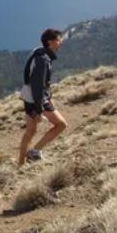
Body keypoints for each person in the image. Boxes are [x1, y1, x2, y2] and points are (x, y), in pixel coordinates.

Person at [18, 28, 69, 166]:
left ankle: (21, 164)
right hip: (37, 99)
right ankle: (35, 152)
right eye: (59, 40)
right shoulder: (43, 59)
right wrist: (39, 110)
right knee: (61, 125)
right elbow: (38, 85)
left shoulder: (38, 52)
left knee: (31, 131)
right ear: (50, 42)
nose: (61, 42)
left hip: (28, 97)